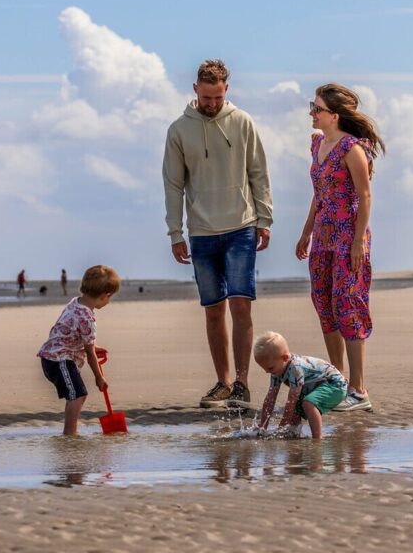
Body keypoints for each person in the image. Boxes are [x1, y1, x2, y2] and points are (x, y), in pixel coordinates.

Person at [163, 59, 273, 410]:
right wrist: (174, 232)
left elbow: (258, 172)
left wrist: (265, 219)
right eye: (206, 97)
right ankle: (223, 383)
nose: (212, 103)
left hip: (241, 225)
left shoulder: (242, 122)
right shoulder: (179, 130)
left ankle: (242, 384)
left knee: (241, 305)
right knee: (213, 310)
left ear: (227, 90)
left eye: (218, 97)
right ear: (195, 90)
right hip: (201, 231)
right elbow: (173, 185)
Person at [295, 84, 385, 412]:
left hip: (349, 238)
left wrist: (360, 239)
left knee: (348, 306)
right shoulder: (317, 144)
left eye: (316, 108)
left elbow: (365, 195)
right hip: (322, 237)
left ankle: (358, 390)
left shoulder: (351, 148)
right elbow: (319, 195)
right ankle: (337, 382)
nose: (311, 112)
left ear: (334, 115)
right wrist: (306, 233)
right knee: (324, 304)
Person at [37, 265, 120, 435]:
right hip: (58, 359)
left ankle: (71, 431)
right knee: (77, 395)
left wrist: (93, 347)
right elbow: (89, 354)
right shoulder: (88, 318)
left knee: (78, 394)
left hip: (55, 356)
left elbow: (71, 331)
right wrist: (99, 377)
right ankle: (70, 434)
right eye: (110, 298)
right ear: (105, 296)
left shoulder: (75, 302)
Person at [253, 331, 347, 440]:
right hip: (315, 387)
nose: (267, 372)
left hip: (335, 385)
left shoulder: (295, 368)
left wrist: (283, 424)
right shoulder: (276, 369)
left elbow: (292, 398)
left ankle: (317, 439)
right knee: (295, 408)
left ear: (284, 358)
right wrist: (263, 426)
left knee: (307, 403)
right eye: (264, 368)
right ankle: (293, 435)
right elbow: (270, 398)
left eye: (269, 368)